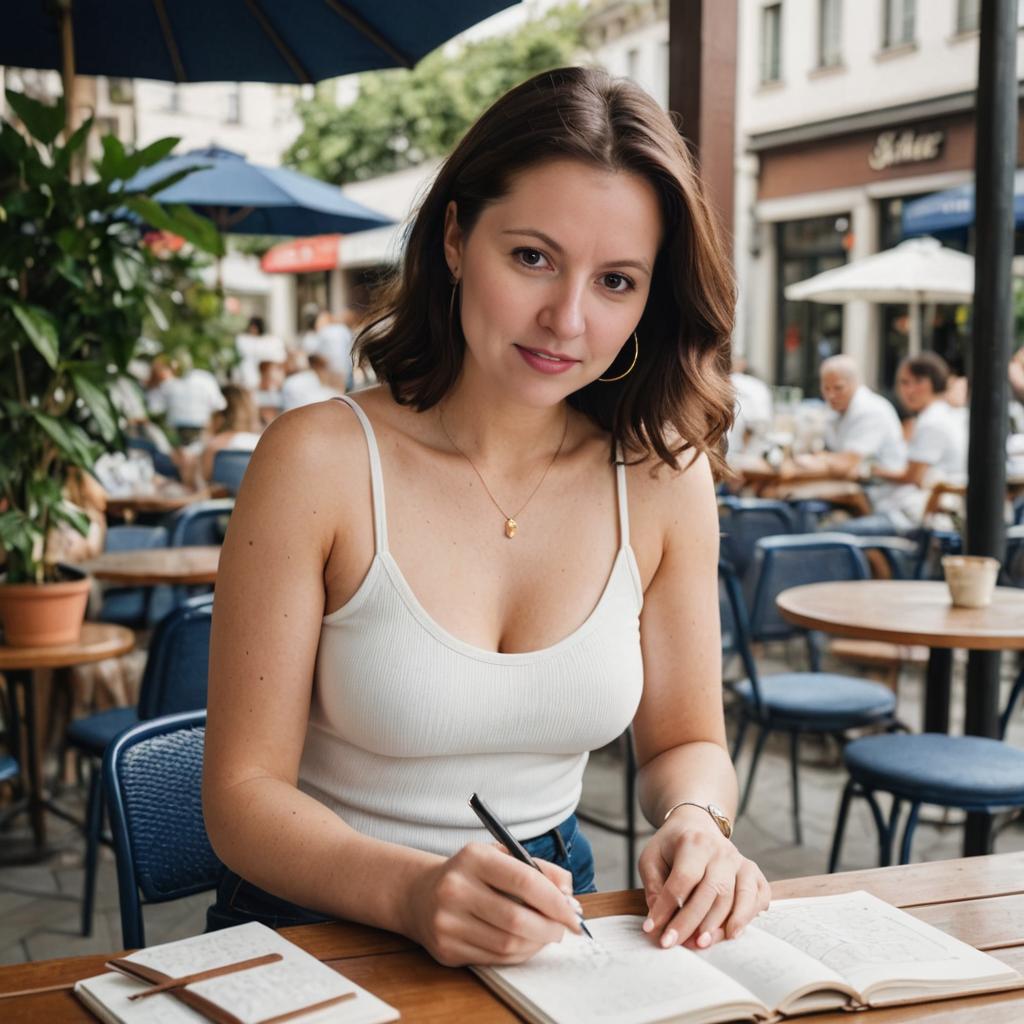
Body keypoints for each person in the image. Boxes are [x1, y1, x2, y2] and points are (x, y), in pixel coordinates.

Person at [203, 66, 768, 967]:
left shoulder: (662, 478)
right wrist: (412, 890)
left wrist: (700, 820)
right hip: (313, 925)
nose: (566, 318)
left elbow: (688, 740)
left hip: (544, 915)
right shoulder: (317, 460)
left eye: (616, 280)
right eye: (532, 257)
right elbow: (239, 796)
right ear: (459, 239)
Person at [842, 352, 967, 535]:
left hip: (924, 518)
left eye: (912, 382)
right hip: (928, 512)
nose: (906, 391)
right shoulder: (941, 415)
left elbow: (913, 477)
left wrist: (871, 471)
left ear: (928, 383)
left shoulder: (932, 421)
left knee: (841, 533)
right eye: (903, 383)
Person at [145, 354, 226, 445]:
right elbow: (220, 405)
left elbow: (154, 408)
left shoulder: (169, 382)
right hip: (192, 431)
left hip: (182, 431)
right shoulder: (205, 378)